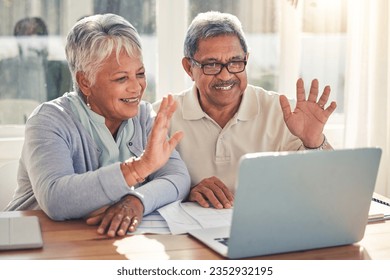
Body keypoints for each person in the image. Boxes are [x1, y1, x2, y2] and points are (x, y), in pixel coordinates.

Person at [5, 14, 190, 237]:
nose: (137, 87)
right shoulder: (48, 120)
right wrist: (139, 168)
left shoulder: (143, 115)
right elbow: (56, 199)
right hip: (34, 244)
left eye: (140, 74)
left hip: (98, 242)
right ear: (85, 82)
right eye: (121, 78)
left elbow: (178, 178)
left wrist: (136, 201)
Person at [153, 11, 337, 209]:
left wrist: (313, 142)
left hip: (268, 230)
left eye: (235, 62)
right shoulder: (161, 117)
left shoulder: (284, 112)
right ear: (189, 68)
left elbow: (328, 185)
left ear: (246, 59)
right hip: (188, 235)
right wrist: (184, 192)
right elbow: (143, 187)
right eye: (212, 64)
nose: (225, 76)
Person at [0, 17, 72, 103]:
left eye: (37, 41)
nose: (33, 45)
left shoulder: (60, 70)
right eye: (26, 39)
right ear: (19, 44)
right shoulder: (7, 69)